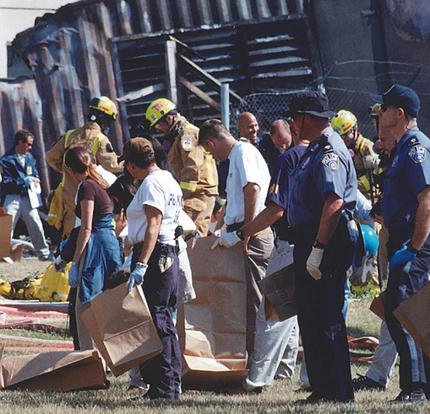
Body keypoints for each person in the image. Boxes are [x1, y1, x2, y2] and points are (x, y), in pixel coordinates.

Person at [286, 91, 357, 403]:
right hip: (310, 237)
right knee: (311, 315)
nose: (292, 123)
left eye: (294, 117)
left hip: (325, 238)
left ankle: (338, 390)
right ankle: (323, 386)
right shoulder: (314, 148)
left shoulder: (329, 150)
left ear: (305, 118)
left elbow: (333, 201)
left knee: (327, 315)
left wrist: (318, 248)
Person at [376, 84, 430, 404]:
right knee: (404, 311)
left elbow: (428, 201)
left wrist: (415, 248)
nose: (380, 115)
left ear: (398, 113)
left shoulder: (416, 147)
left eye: (385, 109)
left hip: (415, 242)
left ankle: (416, 387)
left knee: (404, 312)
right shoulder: (402, 146)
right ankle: (426, 387)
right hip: (406, 240)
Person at [232, 119, 309, 393]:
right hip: (316, 242)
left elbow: (276, 208)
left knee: (275, 311)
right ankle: (292, 369)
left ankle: (258, 379)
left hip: (290, 242)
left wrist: (247, 231)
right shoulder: (321, 154)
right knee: (307, 314)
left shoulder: (288, 160)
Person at [197, 119, 273, 356]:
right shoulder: (238, 155)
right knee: (244, 297)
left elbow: (252, 189)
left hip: (251, 231)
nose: (212, 156)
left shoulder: (242, 153)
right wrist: (219, 226)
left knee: (255, 300)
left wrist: (247, 232)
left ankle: (257, 361)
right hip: (241, 229)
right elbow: (235, 200)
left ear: (211, 142)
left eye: (209, 151)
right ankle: (250, 356)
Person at [124, 137, 183, 401]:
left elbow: (153, 225)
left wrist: (141, 264)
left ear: (131, 165)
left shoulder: (149, 184)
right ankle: (166, 384)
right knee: (163, 319)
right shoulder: (168, 179)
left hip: (155, 253)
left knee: (157, 321)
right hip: (168, 251)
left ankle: (165, 387)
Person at [64, 146, 122, 350]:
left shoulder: (86, 187)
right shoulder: (102, 182)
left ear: (70, 170)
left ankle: (89, 358)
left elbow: (86, 227)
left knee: (85, 306)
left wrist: (76, 262)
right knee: (108, 301)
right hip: (110, 242)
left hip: (96, 245)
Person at [46, 96, 123, 238]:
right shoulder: (100, 138)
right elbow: (112, 165)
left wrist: (66, 170)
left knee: (70, 231)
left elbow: (51, 157)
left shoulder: (69, 135)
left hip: (68, 192)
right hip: (91, 193)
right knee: (91, 228)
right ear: (104, 119)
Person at [145, 98, 218, 236]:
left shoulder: (187, 135)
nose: (159, 130)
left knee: (191, 236)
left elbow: (192, 168)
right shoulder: (178, 136)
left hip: (197, 195)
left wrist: (179, 198)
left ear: (169, 119)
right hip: (193, 194)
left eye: (159, 125)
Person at [0, 129, 51, 260]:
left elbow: (33, 172)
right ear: (19, 142)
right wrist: (24, 181)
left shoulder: (29, 158)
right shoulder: (5, 160)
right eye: (28, 144)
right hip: (13, 197)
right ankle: (1, 254)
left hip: (28, 196)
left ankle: (44, 254)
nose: (30, 147)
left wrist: (35, 179)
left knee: (36, 224)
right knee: (6, 225)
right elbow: (5, 182)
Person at [331, 109, 380, 202]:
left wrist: (353, 184)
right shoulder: (340, 150)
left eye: (346, 135)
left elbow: (376, 174)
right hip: (349, 197)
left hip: (369, 200)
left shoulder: (366, 147)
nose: (343, 139)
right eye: (340, 136)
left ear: (355, 129)